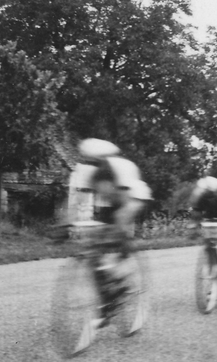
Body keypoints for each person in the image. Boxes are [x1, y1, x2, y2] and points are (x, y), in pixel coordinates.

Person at [68, 138, 152, 330]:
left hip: (132, 198)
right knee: (93, 255)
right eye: (91, 162)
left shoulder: (122, 167)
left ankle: (124, 279)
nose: (94, 165)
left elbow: (124, 208)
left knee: (118, 231)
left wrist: (115, 234)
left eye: (98, 162)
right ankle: (107, 303)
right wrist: (69, 225)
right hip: (109, 203)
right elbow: (79, 202)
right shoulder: (87, 171)